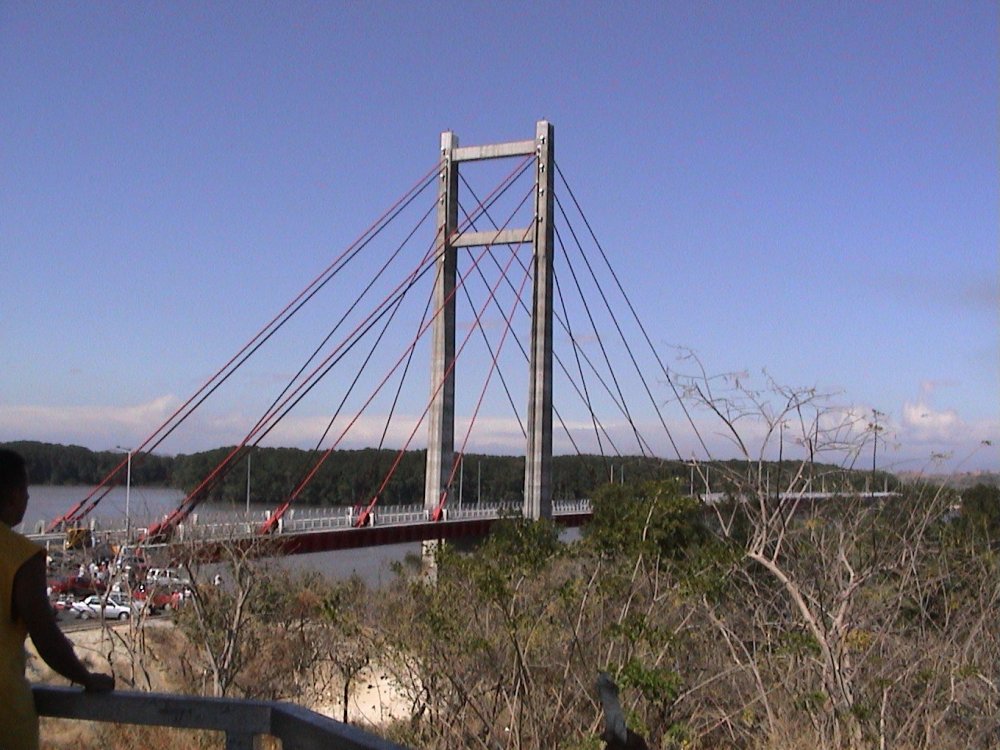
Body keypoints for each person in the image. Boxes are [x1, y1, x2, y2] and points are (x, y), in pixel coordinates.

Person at [0, 449, 114, 750]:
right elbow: (45, 635)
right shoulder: (22, 557)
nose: (28, 499)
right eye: (25, 490)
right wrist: (86, 678)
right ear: (12, 496)